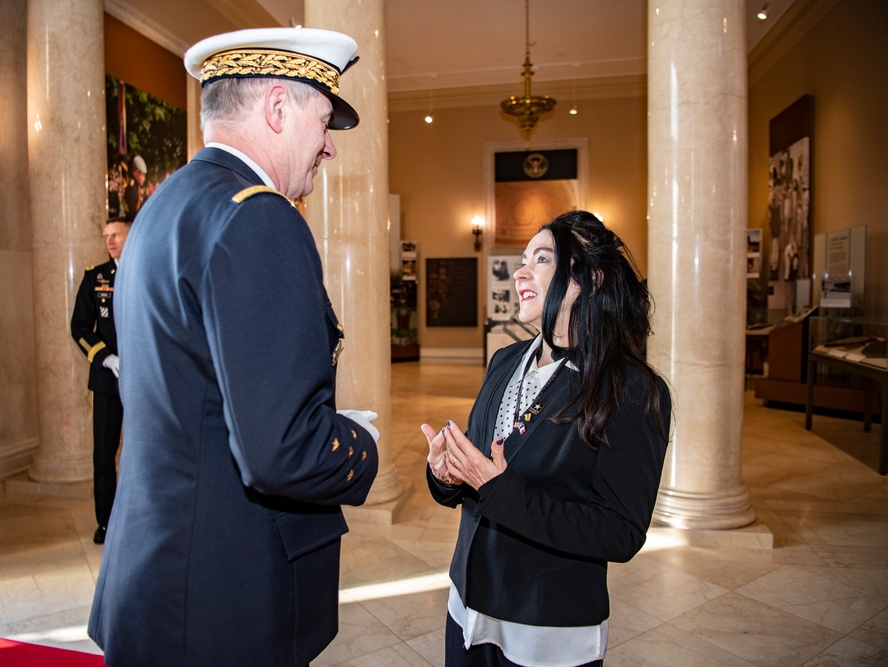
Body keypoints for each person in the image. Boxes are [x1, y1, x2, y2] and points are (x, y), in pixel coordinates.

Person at [88, 27, 380, 666]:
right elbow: (279, 452)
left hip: (158, 583)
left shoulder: (164, 209)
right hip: (224, 603)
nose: (329, 147)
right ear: (277, 109)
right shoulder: (260, 217)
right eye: (325, 120)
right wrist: (361, 443)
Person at [423, 210, 671, 667]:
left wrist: (499, 490)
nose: (520, 271)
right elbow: (480, 473)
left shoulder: (631, 391)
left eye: (542, 258)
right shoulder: (505, 360)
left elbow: (621, 533)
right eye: (522, 259)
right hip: (468, 606)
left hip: (546, 626)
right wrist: (446, 474)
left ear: (591, 279)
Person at [70, 217, 131, 545]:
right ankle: (106, 523)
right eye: (106, 235)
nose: (110, 241)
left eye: (116, 234)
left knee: (143, 452)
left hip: (142, 382)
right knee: (104, 454)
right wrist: (108, 358)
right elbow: (79, 326)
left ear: (130, 234)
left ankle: (138, 520)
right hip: (108, 381)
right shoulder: (95, 278)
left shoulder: (146, 270)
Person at [122, 155, 147, 221]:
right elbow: (133, 214)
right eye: (143, 175)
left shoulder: (136, 187)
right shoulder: (132, 188)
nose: (144, 179)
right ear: (137, 172)